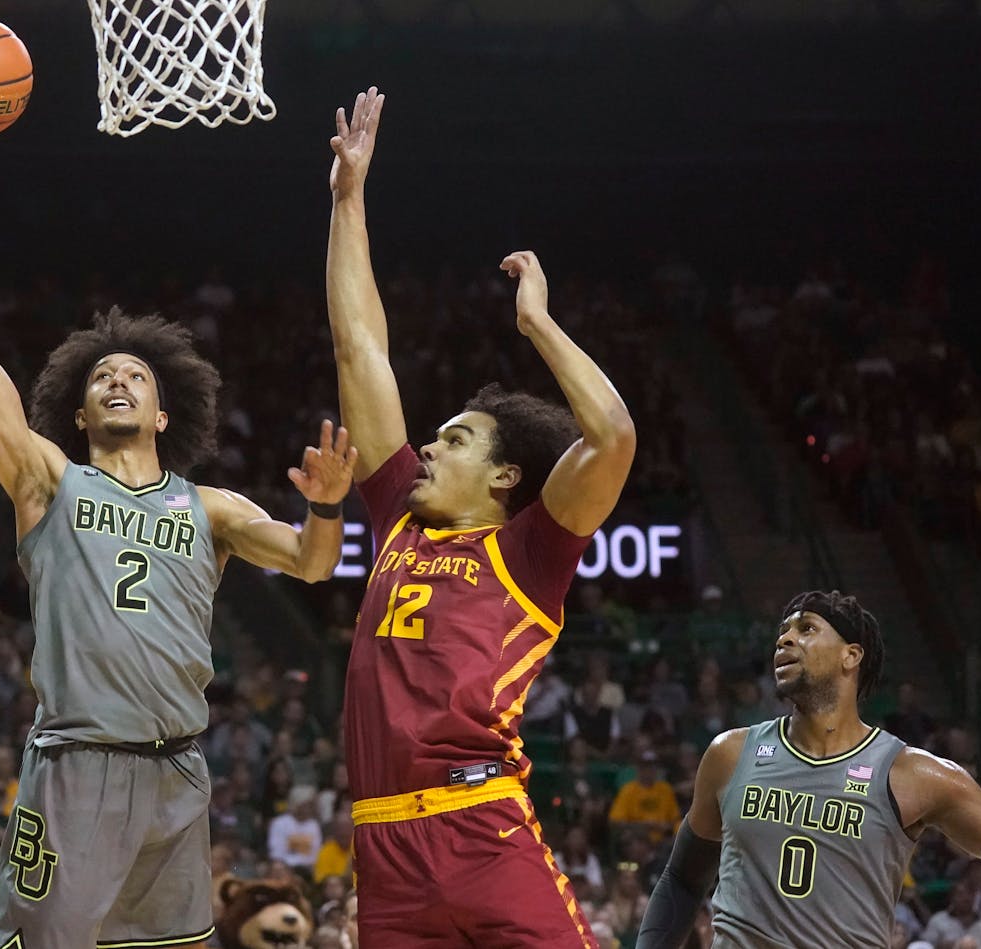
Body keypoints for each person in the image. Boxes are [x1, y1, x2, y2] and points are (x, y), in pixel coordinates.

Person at [0, 86, 356, 949]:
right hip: (76, 769)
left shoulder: (210, 506)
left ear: (161, 414)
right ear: (76, 414)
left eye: (135, 377)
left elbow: (313, 561)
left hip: (180, 770)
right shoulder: (49, 480)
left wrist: (327, 502)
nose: (117, 378)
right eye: (101, 376)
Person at [325, 86, 637, 948]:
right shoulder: (398, 517)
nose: (426, 447)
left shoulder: (530, 548)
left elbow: (611, 436)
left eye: (454, 438)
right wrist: (348, 201)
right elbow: (360, 346)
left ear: (505, 475)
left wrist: (536, 324)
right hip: (384, 844)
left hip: (481, 826)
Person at [638, 590, 981, 949]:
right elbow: (682, 882)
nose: (785, 640)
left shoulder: (915, 775)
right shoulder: (731, 754)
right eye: (783, 631)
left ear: (851, 655)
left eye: (806, 628)